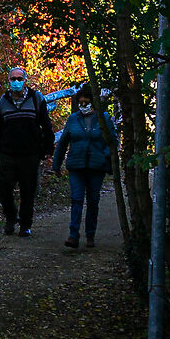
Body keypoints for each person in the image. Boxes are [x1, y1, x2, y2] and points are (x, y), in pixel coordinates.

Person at [51, 87, 116, 249]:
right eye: (80, 103)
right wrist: (56, 164)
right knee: (77, 199)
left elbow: (112, 141)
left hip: (96, 166)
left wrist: (105, 156)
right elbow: (63, 142)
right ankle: (73, 235)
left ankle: (90, 235)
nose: (83, 105)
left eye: (86, 103)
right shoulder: (73, 119)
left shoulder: (104, 119)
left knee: (93, 201)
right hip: (76, 165)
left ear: (93, 102)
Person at [0, 66, 53, 236]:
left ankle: (25, 224)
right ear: (9, 81)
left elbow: (46, 126)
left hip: (30, 153)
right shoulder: (3, 101)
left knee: (28, 190)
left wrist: (47, 149)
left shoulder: (36, 99)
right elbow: (0, 128)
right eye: (13, 79)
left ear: (25, 81)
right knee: (4, 188)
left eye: (20, 78)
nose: (16, 82)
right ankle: (11, 218)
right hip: (8, 153)